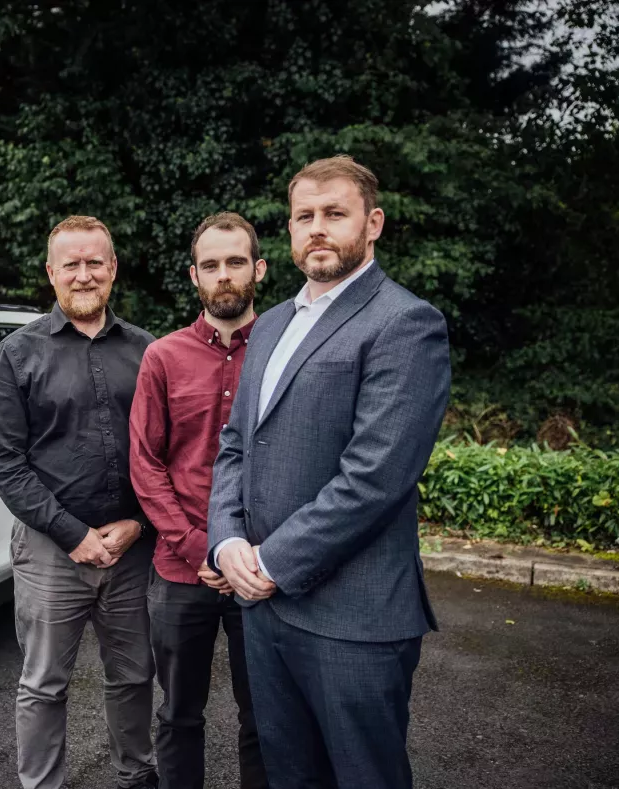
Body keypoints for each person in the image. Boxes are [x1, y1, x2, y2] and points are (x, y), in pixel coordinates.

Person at [207, 155, 451, 789]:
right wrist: (228, 539)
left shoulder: (404, 323)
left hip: (355, 621)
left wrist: (269, 563)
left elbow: (375, 478)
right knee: (288, 775)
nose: (317, 229)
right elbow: (236, 443)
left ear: (372, 224)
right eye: (304, 217)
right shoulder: (272, 326)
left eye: (333, 214)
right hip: (265, 614)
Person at [0, 215, 159, 789]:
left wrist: (138, 522)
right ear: (51, 273)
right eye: (71, 265)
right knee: (43, 685)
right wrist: (74, 535)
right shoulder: (17, 354)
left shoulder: (148, 352)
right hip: (50, 552)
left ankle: (136, 774)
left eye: (95, 263)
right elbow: (6, 463)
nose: (83, 276)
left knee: (134, 676)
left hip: (132, 550)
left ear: (112, 269)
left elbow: (163, 452)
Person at [129, 212, 269, 789]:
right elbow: (145, 462)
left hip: (263, 568)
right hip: (182, 573)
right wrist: (199, 550)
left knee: (263, 715)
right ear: (194, 276)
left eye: (235, 262)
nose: (224, 275)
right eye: (211, 265)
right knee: (178, 713)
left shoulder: (286, 348)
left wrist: (254, 554)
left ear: (258, 268)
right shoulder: (162, 357)